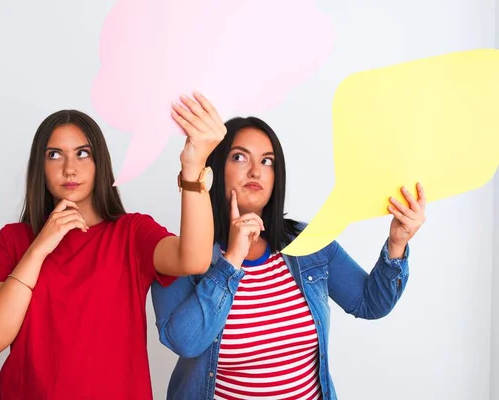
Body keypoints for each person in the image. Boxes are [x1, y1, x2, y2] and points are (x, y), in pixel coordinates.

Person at [0, 92, 226, 399]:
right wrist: (39, 248)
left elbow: (195, 260)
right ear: (39, 166)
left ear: (99, 162)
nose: (69, 168)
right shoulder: (14, 240)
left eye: (82, 153)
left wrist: (193, 167)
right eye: (54, 154)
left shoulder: (131, 233)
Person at [151, 116, 427, 400]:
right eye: (239, 157)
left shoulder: (309, 244)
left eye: (267, 161)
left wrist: (397, 243)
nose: (256, 171)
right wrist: (231, 260)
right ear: (216, 167)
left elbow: (370, 303)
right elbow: (184, 342)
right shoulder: (180, 254)